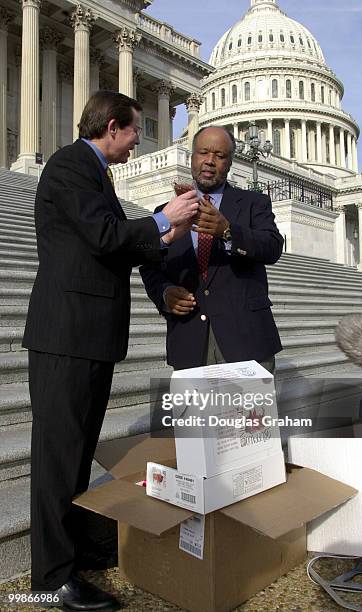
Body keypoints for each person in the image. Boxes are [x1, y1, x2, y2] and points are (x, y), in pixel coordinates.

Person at [22, 90, 199, 611]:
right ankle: (50, 580)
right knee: (59, 459)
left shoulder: (95, 173)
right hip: (67, 335)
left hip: (87, 334)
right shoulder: (70, 164)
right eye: (135, 131)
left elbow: (111, 246)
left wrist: (169, 233)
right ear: (113, 126)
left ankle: (67, 557)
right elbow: (103, 236)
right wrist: (164, 218)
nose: (138, 142)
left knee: (75, 455)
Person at [140, 126, 283, 372]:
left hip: (247, 341)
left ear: (230, 162)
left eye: (219, 155)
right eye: (203, 152)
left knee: (251, 413)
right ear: (192, 156)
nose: (209, 161)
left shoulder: (253, 203)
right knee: (194, 413)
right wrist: (164, 293)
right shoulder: (166, 211)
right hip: (189, 340)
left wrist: (228, 232)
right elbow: (150, 266)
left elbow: (272, 247)